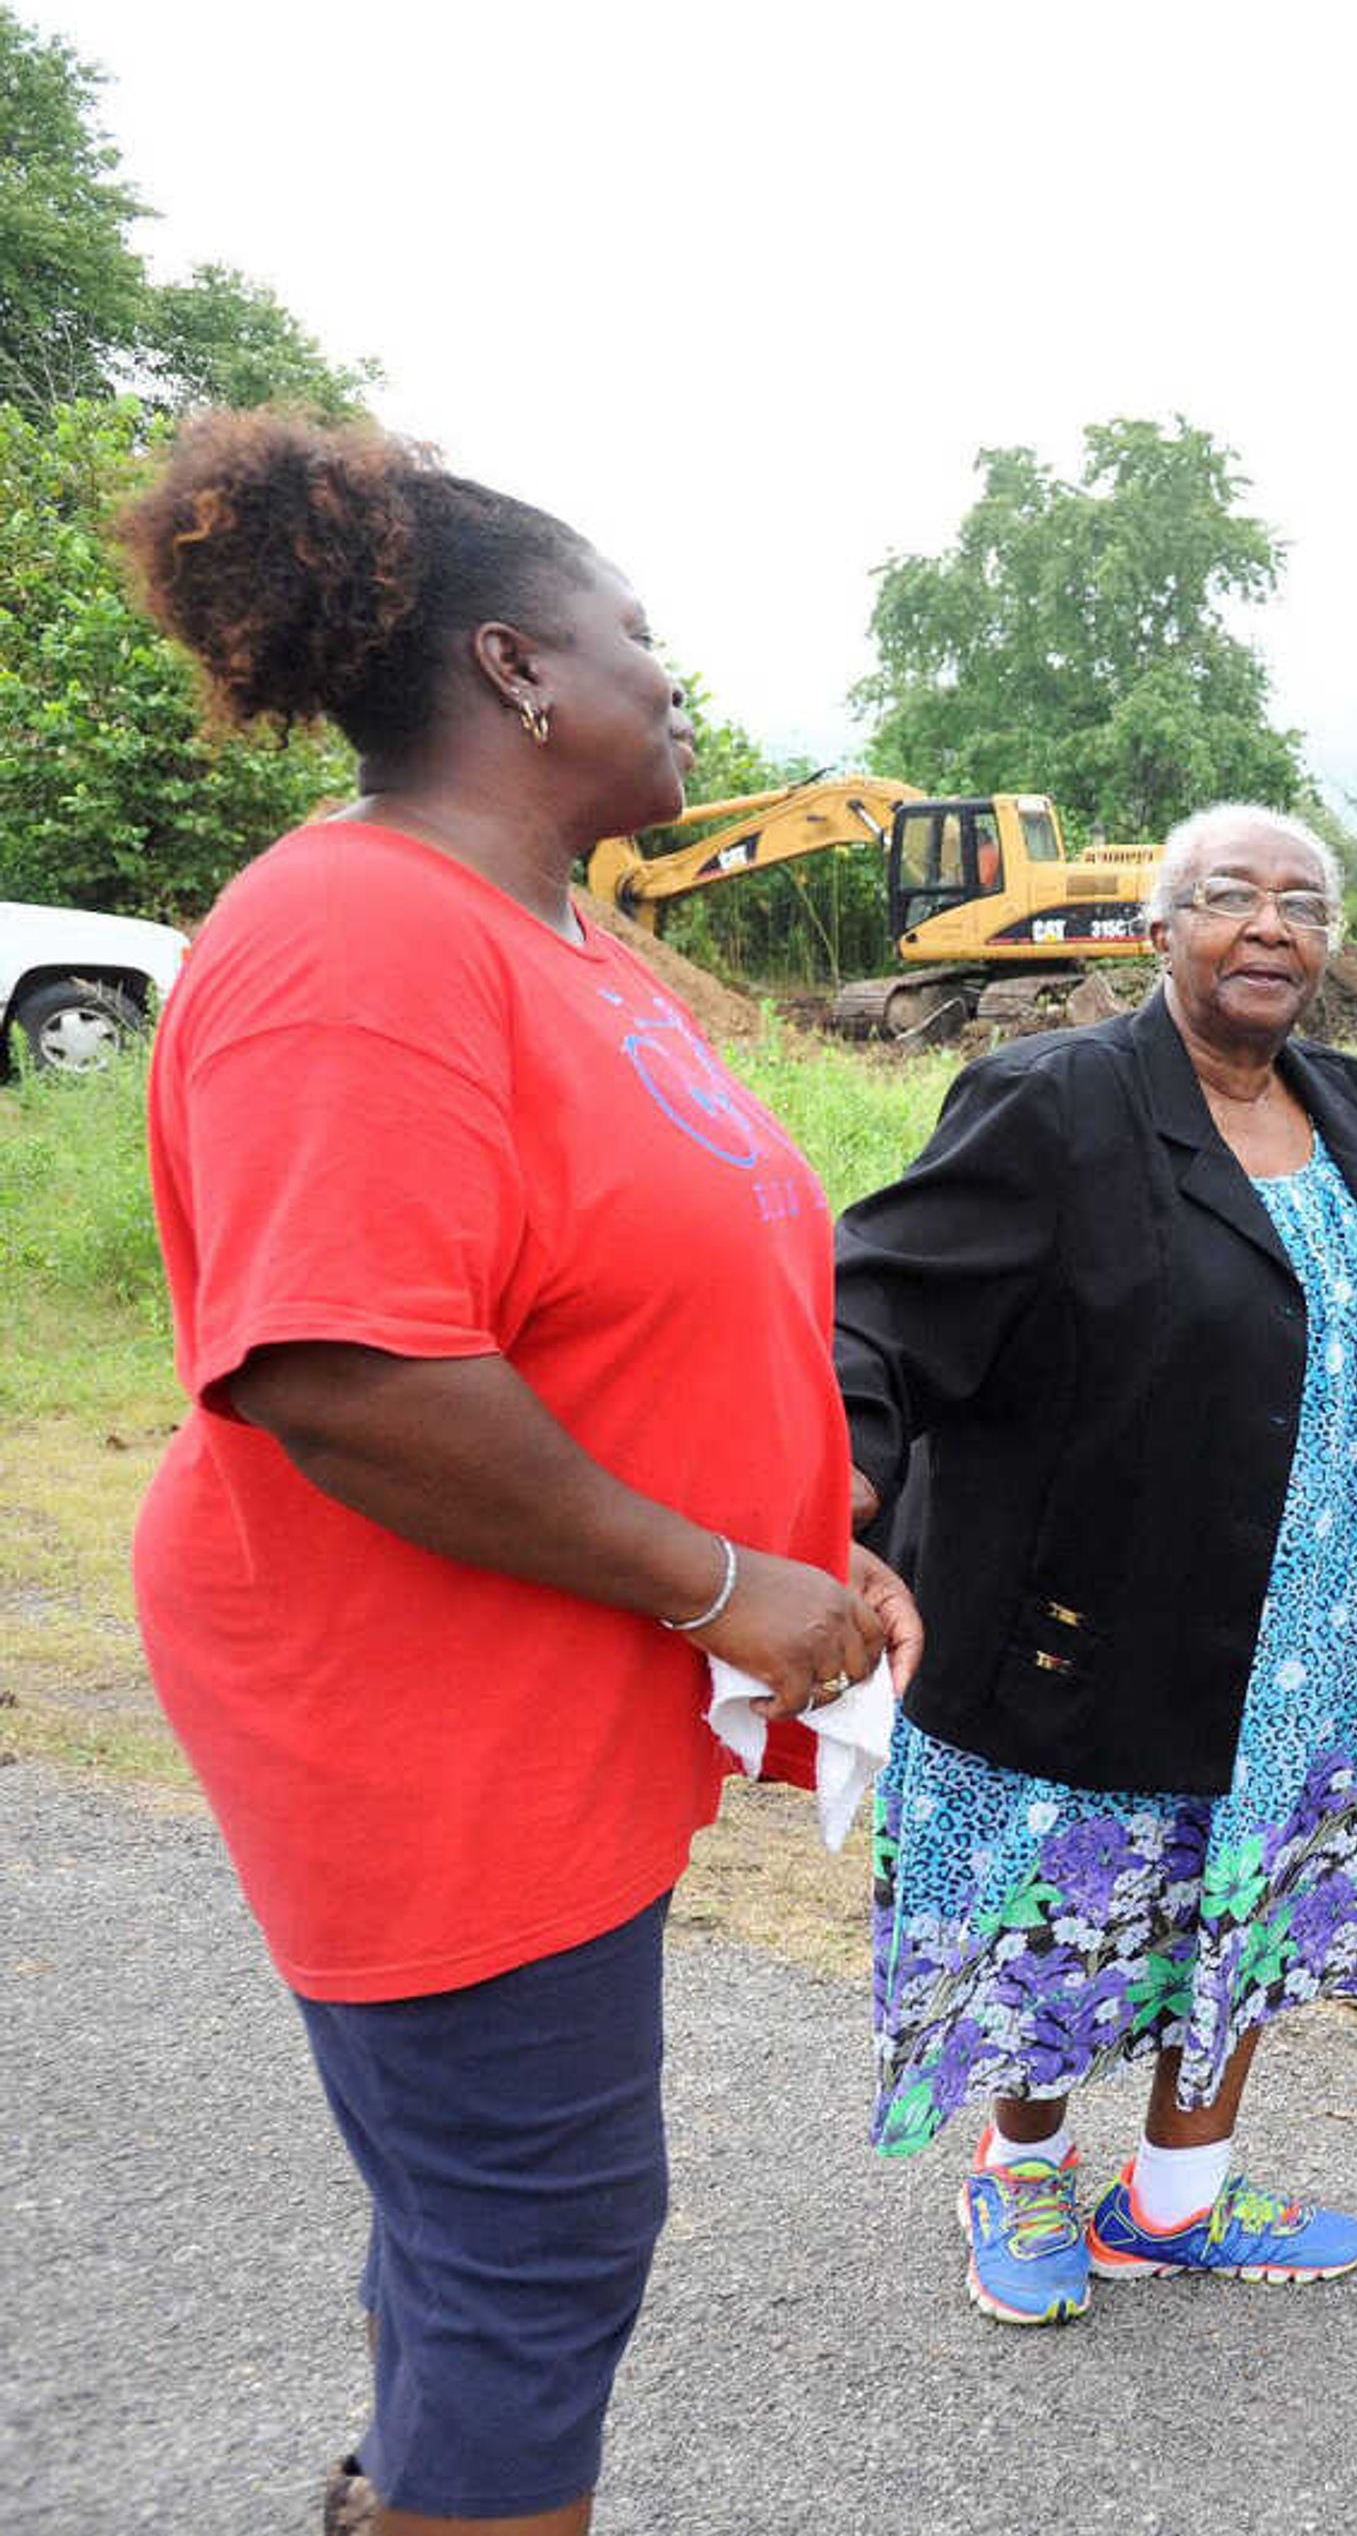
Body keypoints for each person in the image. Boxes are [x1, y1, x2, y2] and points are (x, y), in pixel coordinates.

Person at [118, 414, 914, 2536]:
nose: (676, 681)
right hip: (420, 1699)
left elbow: (658, 1290)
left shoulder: (579, 949)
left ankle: (412, 2487)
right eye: (635, 638)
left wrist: (818, 1551)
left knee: (487, 2218)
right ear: (517, 672)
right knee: (535, 2242)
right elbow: (347, 1372)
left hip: (568, 1663)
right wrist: (714, 1584)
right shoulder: (352, 939)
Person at [835, 802, 1357, 2326]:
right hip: (1104, 1594)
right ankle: (1020, 2171)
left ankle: (1178, 2200)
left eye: (1304, 904)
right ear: (1157, 930)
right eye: (1231, 897)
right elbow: (880, 1293)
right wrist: (842, 1485)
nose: (1272, 925)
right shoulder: (1056, 1102)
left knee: (1253, 1891)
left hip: (1333, 1609)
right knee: (1063, 1905)